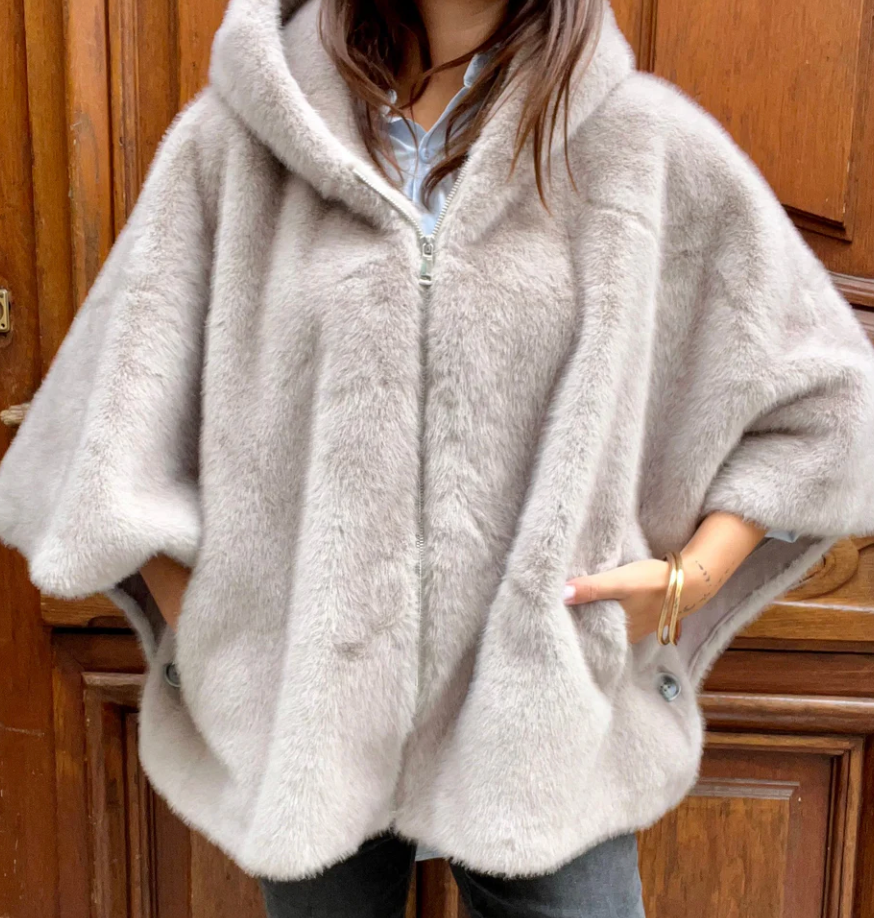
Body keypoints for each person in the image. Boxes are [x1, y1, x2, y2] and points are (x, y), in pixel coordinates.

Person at [1, 0, 874, 915]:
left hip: (542, 717)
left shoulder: (638, 144)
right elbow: (101, 427)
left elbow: (829, 403)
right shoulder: (238, 143)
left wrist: (691, 578)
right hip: (305, 719)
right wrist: (225, 639)